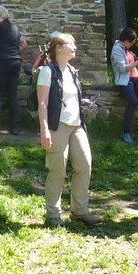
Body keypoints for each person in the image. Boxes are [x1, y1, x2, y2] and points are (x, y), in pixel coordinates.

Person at [36, 33, 102, 227]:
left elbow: (68, 97)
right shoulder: (47, 72)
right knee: (58, 169)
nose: (74, 47)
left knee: (85, 165)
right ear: (58, 48)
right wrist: (45, 130)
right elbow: (42, 103)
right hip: (58, 126)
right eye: (70, 44)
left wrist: (82, 102)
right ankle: (53, 214)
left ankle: (80, 211)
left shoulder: (73, 71)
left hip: (77, 125)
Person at [0, 6, 23, 135]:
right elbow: (23, 44)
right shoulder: (14, 28)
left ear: (0, 15)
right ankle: (16, 126)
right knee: (13, 93)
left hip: (1, 61)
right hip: (15, 61)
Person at [110, 27, 138, 144]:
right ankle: (126, 132)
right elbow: (123, 69)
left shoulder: (127, 50)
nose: (132, 44)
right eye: (132, 41)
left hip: (136, 79)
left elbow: (134, 64)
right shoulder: (117, 50)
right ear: (126, 40)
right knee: (133, 101)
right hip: (125, 81)